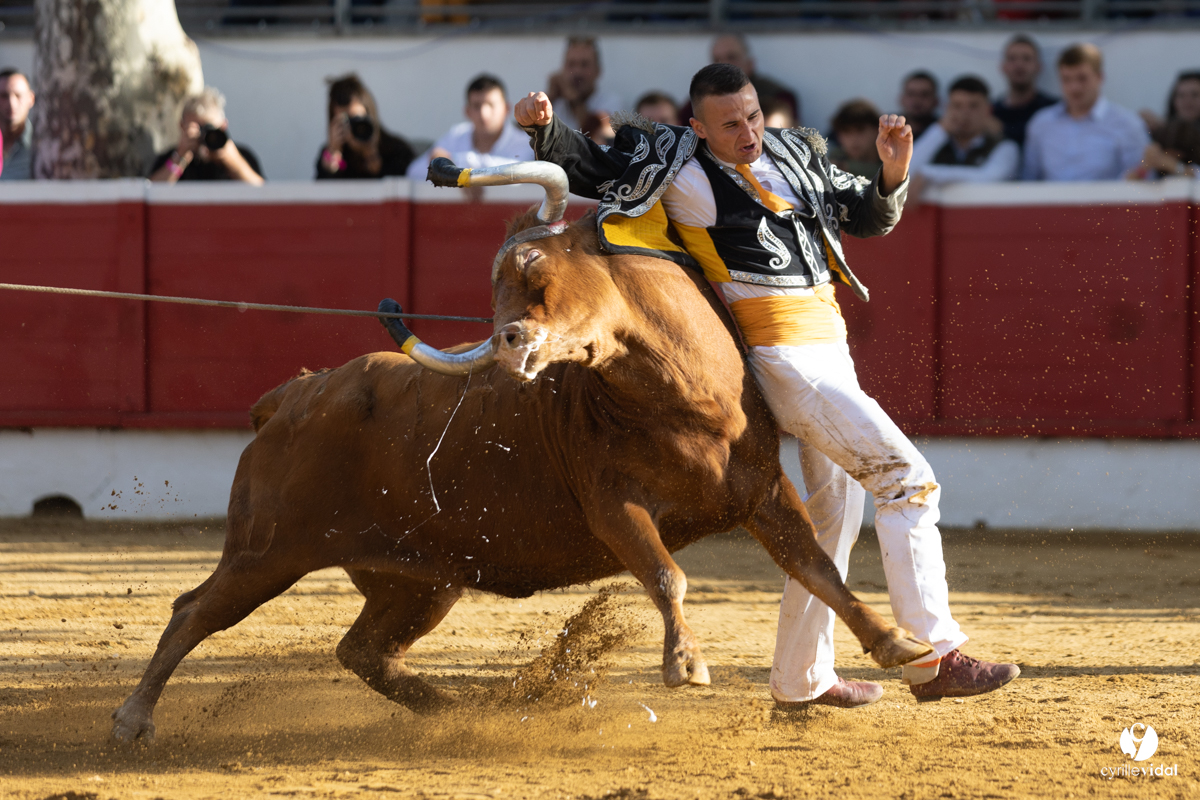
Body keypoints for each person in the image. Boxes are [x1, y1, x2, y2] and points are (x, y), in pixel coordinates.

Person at [515, 64, 1020, 709]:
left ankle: (802, 680)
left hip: (829, 347)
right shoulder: (675, 161)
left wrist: (892, 171)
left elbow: (865, 217)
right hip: (781, 356)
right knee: (906, 478)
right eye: (729, 124)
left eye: (752, 116)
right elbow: (595, 166)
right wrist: (548, 129)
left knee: (834, 514)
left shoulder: (790, 150)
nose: (748, 132)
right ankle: (936, 657)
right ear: (698, 127)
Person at [1022, 44, 1148, 182]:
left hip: (1105, 204)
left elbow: (1140, 186)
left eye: (1082, 78)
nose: (1074, 87)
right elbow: (1028, 181)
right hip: (1051, 203)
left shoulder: (1128, 124)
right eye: (1066, 79)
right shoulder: (1041, 124)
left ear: (1100, 77)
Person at [407, 74, 532, 181]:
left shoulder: (524, 142)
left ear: (507, 109)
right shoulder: (456, 135)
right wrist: (464, 176)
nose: (484, 113)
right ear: (467, 111)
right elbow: (414, 172)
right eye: (477, 106)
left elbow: (517, 174)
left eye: (491, 105)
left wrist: (460, 171)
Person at [909, 76, 1019, 189]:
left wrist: (928, 173)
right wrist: (940, 130)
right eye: (957, 106)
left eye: (973, 106)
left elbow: (991, 178)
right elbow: (905, 172)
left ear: (988, 110)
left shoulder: (1004, 146)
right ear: (947, 109)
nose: (965, 113)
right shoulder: (937, 143)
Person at [677, 34, 800, 126]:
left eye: (732, 57)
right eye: (717, 59)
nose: (724, 64)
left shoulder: (779, 97)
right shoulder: (699, 99)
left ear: (750, 63)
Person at [149, 88, 263, 184]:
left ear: (223, 126)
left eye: (209, 129)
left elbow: (264, 194)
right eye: (196, 129)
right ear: (182, 127)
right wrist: (179, 158)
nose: (203, 136)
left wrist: (231, 160)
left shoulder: (242, 156)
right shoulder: (172, 158)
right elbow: (150, 192)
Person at [317, 74, 414, 180]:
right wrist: (332, 161)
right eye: (344, 122)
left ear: (370, 116)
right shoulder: (332, 156)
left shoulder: (397, 151)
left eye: (356, 120)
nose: (351, 128)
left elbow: (404, 185)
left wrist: (372, 155)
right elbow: (322, 193)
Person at [545, 37, 621, 140]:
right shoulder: (556, 103)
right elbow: (522, 137)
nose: (577, 72)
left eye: (584, 64)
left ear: (598, 71)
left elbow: (596, 136)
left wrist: (574, 98)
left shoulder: (611, 102)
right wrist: (549, 98)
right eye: (571, 64)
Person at [991, 35, 1058, 149]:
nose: (1019, 65)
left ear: (1038, 67)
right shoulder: (991, 112)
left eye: (1026, 58)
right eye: (1012, 59)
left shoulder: (1054, 109)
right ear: (1003, 67)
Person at [1133, 70, 1200, 179]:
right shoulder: (1162, 134)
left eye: (1195, 95)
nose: (1187, 100)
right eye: (1181, 95)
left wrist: (1174, 165)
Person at [827, 99, 883, 178]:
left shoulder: (889, 156)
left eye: (860, 130)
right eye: (846, 132)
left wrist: (846, 167)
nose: (853, 139)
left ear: (877, 130)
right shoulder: (835, 157)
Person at [0, 68, 35, 181]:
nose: (11, 103)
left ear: (31, 99)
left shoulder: (41, 146)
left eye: (18, 95)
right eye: (4, 96)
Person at [898, 71, 940, 141]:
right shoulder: (887, 126)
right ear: (902, 99)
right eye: (911, 94)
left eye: (924, 95)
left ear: (936, 101)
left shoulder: (943, 130)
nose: (917, 100)